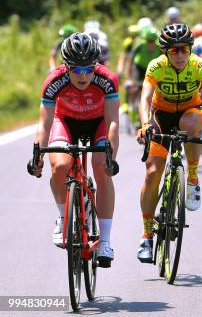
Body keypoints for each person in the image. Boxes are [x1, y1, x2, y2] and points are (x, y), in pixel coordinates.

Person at [29, 33, 120, 267]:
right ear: (66, 66)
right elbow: (45, 122)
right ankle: (62, 216)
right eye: (76, 70)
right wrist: (37, 153)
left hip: (97, 122)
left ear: (95, 65)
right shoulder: (54, 80)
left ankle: (106, 241)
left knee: (102, 169)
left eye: (88, 69)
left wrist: (111, 155)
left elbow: (112, 121)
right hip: (66, 121)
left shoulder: (107, 79)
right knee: (60, 166)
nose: (83, 75)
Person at [135, 23, 202, 263]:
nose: (181, 55)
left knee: (193, 124)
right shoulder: (156, 66)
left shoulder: (201, 65)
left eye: (184, 49)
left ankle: (192, 175)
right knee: (152, 172)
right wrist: (145, 124)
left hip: (190, 111)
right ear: (165, 52)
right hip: (161, 114)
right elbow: (144, 98)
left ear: (190, 49)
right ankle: (147, 234)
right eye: (174, 50)